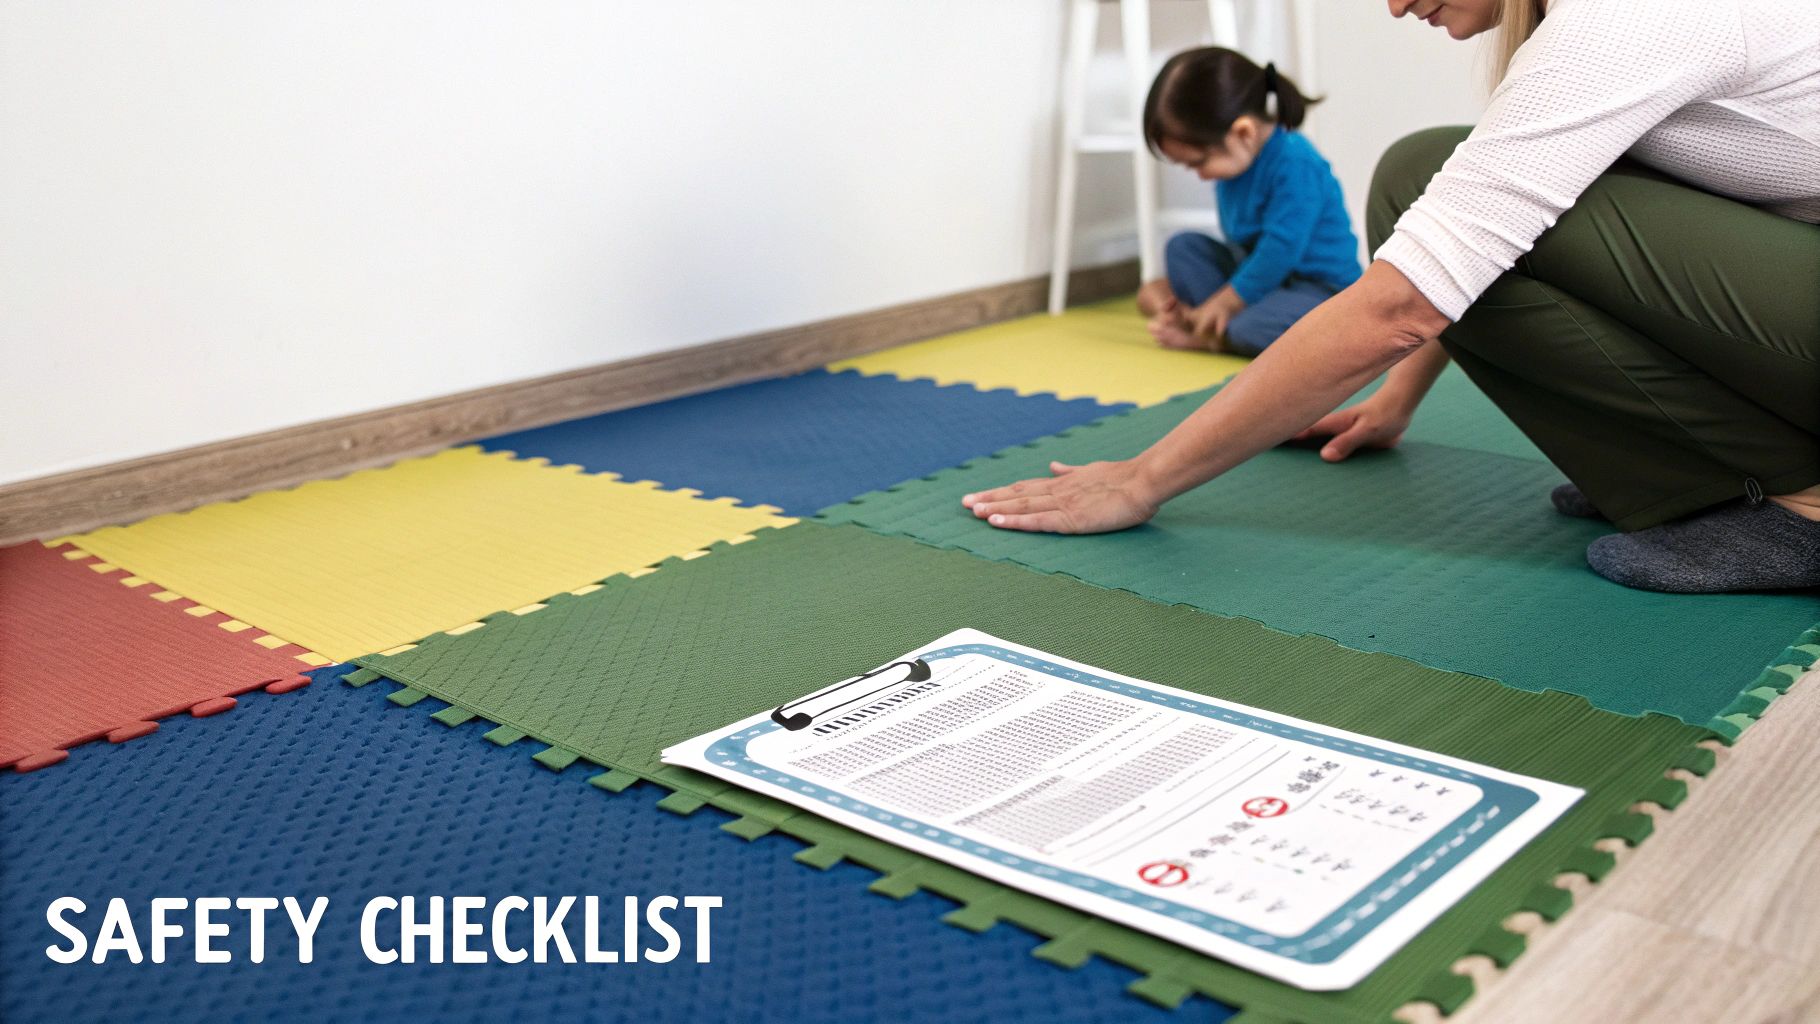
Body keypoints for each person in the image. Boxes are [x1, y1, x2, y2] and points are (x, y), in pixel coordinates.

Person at [965, 0, 1820, 594]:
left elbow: (1399, 306)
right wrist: (1396, 398)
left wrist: (1143, 480)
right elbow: (1491, 245)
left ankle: (1801, 504)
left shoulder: (1624, 18)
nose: (1391, 8)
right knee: (1432, 182)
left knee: (1417, 179)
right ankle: (1704, 475)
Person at [1135, 48, 1362, 356]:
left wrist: (1225, 301)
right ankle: (1210, 321)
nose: (1200, 176)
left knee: (1251, 326)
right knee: (1183, 247)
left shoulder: (1295, 160)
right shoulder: (1235, 165)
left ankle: (1215, 335)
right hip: (1261, 279)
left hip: (1319, 289)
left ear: (1243, 132)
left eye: (1199, 162)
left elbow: (1279, 251)